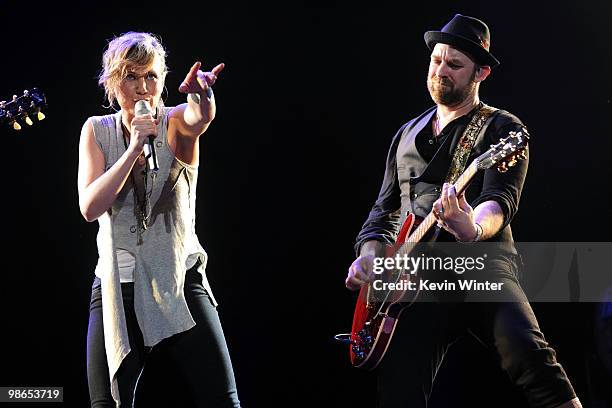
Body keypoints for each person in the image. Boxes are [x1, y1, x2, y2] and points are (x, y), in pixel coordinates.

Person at [345, 15, 582, 408]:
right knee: (400, 387)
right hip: (415, 283)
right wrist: (369, 257)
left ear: (481, 72)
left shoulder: (502, 128)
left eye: (454, 65)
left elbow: (499, 201)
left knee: (531, 358)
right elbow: (383, 211)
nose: (440, 71)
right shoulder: (405, 134)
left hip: (479, 268)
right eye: (436, 61)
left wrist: (470, 227)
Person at [78, 32, 241, 407]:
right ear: (113, 83)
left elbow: (200, 117)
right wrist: (134, 147)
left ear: (162, 81)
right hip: (117, 284)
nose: (142, 88)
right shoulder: (96, 130)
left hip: (178, 279)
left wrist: (202, 94)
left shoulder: (173, 121)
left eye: (150, 76)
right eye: (131, 77)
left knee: (222, 399)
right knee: (106, 401)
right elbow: (89, 207)